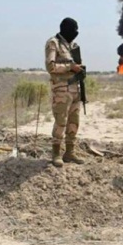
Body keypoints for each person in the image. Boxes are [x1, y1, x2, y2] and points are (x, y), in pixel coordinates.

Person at [45, 17, 85, 167]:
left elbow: (76, 65)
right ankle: (56, 153)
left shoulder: (73, 46)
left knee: (74, 122)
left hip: (75, 89)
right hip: (61, 90)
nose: (76, 33)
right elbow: (51, 67)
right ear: (65, 29)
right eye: (74, 29)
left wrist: (79, 70)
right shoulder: (53, 43)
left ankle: (70, 152)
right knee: (61, 122)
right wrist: (70, 67)